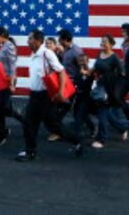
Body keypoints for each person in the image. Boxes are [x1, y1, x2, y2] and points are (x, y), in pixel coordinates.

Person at [15, 30, 83, 162]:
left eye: (30, 39)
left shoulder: (47, 53)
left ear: (37, 40)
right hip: (34, 94)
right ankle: (31, 151)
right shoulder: (33, 54)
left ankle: (76, 141)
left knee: (50, 125)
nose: (27, 41)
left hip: (45, 95)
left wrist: (60, 91)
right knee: (34, 123)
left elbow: (61, 71)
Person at [88, 35, 129, 149]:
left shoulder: (114, 57)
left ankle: (102, 139)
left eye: (105, 41)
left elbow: (122, 73)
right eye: (101, 41)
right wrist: (87, 72)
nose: (102, 43)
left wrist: (117, 88)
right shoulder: (99, 54)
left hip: (109, 88)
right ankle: (124, 127)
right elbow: (96, 67)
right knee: (107, 114)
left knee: (102, 113)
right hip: (100, 86)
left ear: (111, 44)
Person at [0, 26, 25, 135]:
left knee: (3, 107)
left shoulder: (9, 46)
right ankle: (1, 129)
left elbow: (12, 66)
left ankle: (24, 120)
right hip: (2, 79)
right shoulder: (4, 46)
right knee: (1, 106)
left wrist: (11, 83)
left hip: (8, 80)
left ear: (2, 36)